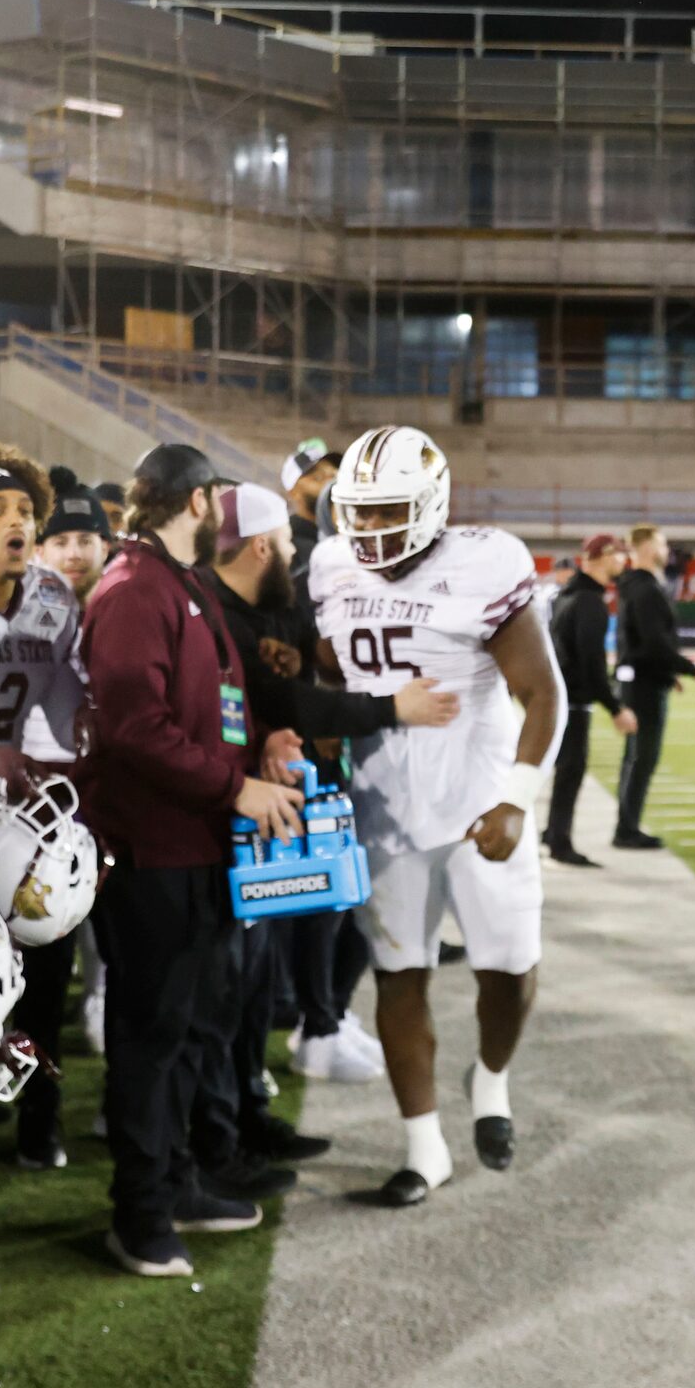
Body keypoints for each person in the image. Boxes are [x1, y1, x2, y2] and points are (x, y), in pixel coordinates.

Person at [311, 427, 563, 1208]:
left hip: (480, 802)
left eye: (389, 512)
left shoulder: (486, 562)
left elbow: (542, 694)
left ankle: (489, 1078)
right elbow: (329, 677)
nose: (371, 530)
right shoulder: (328, 565)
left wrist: (517, 801)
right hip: (384, 809)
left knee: (508, 970)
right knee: (398, 975)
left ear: (428, 505)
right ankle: (424, 1148)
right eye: (359, 513)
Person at [75, 447, 308, 1275]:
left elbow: (212, 708)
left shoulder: (178, 583)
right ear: (201, 501)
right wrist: (233, 787)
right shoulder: (137, 589)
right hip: (155, 851)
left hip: (195, 841)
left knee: (184, 1031)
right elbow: (133, 730)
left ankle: (173, 1182)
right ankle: (138, 1214)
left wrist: (260, 747)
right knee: (150, 1035)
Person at [210, 483, 457, 1141]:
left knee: (266, 963)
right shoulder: (225, 612)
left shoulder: (265, 604)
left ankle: (251, 1107)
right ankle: (230, 1119)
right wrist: (385, 709)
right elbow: (284, 699)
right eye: (288, 542)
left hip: (269, 793)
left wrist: (286, 705)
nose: (299, 551)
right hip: (224, 813)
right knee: (239, 972)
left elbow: (290, 688)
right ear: (262, 544)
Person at [0, 444, 86, 1168]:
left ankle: (43, 1110)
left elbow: (65, 716)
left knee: (47, 953)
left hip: (16, 812)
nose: (16, 525)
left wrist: (95, 721)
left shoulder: (53, 598)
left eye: (27, 512)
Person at [609, 524, 695, 851]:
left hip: (640, 677)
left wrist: (672, 672)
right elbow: (653, 643)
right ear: (649, 547)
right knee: (642, 758)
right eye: (662, 544)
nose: (667, 550)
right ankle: (627, 829)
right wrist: (689, 669)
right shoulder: (646, 588)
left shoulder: (635, 585)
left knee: (634, 757)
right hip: (644, 683)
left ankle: (627, 825)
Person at [544, 533, 636, 866]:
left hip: (560, 698)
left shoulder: (571, 595)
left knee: (564, 771)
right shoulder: (588, 602)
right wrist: (615, 707)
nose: (623, 562)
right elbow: (591, 661)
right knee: (571, 771)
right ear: (602, 557)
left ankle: (553, 833)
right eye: (619, 555)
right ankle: (559, 841)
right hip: (573, 702)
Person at [36, 467, 113, 604]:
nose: (74, 555)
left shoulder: (123, 613)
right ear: (40, 552)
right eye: (61, 543)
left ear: (104, 549)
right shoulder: (20, 618)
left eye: (85, 541)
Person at [279, 435, 337, 577]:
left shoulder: (349, 536)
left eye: (334, 475)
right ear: (293, 492)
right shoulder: (288, 544)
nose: (330, 484)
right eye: (318, 478)